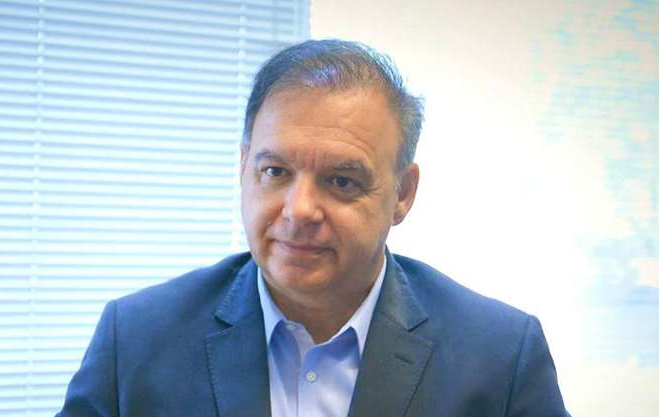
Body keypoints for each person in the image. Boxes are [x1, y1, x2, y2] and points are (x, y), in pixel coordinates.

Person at [56, 39, 570, 417]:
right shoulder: (138, 337)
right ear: (243, 168)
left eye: (342, 181)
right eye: (275, 172)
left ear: (402, 193)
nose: (299, 210)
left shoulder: (499, 355)